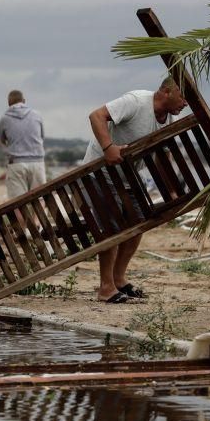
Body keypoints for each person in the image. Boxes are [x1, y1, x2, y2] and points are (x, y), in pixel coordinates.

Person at [83, 77, 187, 303]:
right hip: (100, 174)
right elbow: (96, 116)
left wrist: (170, 191)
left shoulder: (166, 119)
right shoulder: (137, 101)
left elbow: (162, 156)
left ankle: (119, 279)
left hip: (127, 178)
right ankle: (106, 288)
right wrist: (108, 148)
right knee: (111, 229)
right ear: (167, 91)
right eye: (183, 96)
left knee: (138, 223)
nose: (186, 103)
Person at [0, 90, 46, 199]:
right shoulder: (37, 115)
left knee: (17, 203)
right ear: (24, 101)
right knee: (40, 198)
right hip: (37, 162)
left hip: (16, 163)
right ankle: (36, 217)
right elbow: (42, 137)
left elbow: (2, 140)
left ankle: (22, 217)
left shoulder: (4, 118)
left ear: (9, 103)